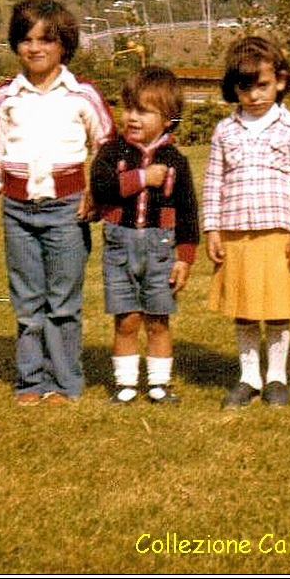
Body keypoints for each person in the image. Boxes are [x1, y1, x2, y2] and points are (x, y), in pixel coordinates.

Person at [0, 0, 113, 407]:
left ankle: (64, 383)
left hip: (67, 210)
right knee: (27, 302)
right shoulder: (7, 97)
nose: (35, 49)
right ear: (16, 45)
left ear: (63, 46)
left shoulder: (82, 95)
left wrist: (96, 193)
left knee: (63, 303)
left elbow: (107, 146)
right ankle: (31, 381)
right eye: (26, 40)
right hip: (18, 212)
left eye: (45, 41)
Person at [203, 36, 290, 409]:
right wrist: (212, 228)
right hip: (237, 233)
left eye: (262, 85)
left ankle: (277, 377)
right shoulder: (225, 131)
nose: (254, 96)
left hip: (278, 233)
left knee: (277, 307)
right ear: (233, 88)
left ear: (280, 81)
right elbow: (213, 181)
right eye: (244, 87)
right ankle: (249, 376)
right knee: (245, 308)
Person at [91, 66, 199, 406]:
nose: (133, 117)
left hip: (161, 249)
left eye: (144, 111)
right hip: (119, 247)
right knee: (126, 319)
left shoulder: (176, 161)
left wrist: (185, 258)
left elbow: (188, 212)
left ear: (168, 119)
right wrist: (141, 178)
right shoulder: (111, 152)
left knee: (157, 320)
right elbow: (101, 188)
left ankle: (159, 384)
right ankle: (124, 385)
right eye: (129, 108)